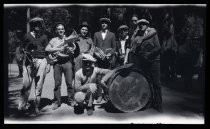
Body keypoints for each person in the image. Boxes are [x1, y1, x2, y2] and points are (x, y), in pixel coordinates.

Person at [18, 17, 51, 115]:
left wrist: (48, 63)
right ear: (32, 26)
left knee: (39, 85)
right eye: (35, 24)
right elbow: (22, 48)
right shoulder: (27, 36)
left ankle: (36, 106)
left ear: (41, 25)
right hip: (29, 61)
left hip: (42, 61)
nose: (37, 26)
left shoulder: (44, 36)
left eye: (39, 24)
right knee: (26, 85)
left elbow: (47, 51)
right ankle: (22, 107)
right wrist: (23, 55)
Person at [129, 19, 162, 112]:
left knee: (156, 83)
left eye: (144, 24)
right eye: (140, 24)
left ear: (147, 25)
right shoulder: (137, 35)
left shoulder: (152, 34)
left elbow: (158, 48)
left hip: (154, 61)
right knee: (146, 82)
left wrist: (149, 54)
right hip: (143, 62)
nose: (141, 25)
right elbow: (133, 48)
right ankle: (149, 102)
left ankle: (158, 104)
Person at [45, 22, 79, 110]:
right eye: (59, 29)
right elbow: (47, 49)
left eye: (62, 29)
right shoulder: (53, 40)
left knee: (69, 83)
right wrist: (59, 49)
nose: (61, 30)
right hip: (57, 63)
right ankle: (57, 101)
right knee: (57, 84)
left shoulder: (68, 39)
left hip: (67, 62)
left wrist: (70, 50)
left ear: (64, 30)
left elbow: (73, 49)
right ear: (56, 31)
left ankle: (71, 100)